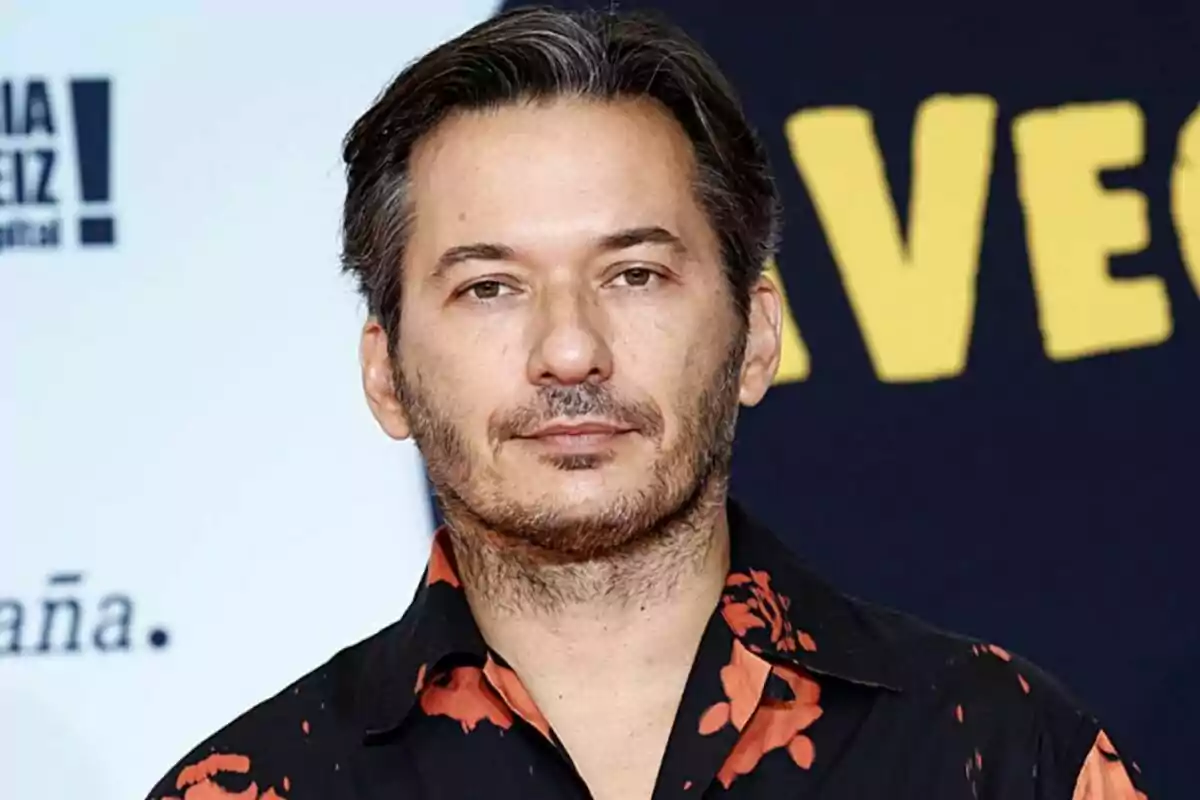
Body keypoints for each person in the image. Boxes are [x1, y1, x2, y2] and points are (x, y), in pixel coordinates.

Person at [143, 7, 1150, 799]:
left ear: (756, 335)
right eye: (490, 286)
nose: (570, 347)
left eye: (633, 274)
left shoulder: (1003, 753)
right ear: (385, 372)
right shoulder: (252, 786)